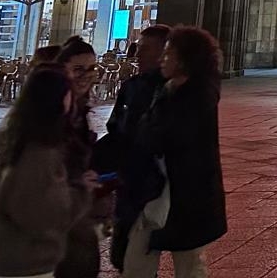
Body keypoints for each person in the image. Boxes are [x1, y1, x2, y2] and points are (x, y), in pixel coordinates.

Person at [122, 25, 227, 278]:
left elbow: (159, 137)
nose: (161, 59)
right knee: (140, 258)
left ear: (185, 59)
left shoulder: (196, 95)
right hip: (159, 191)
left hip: (185, 194)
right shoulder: (166, 88)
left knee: (190, 262)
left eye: (168, 54)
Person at [0, 66, 97, 278]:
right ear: (61, 100)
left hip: (10, 257)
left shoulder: (15, 141)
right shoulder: (39, 153)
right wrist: (79, 191)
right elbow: (42, 216)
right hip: (27, 261)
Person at [96, 24, 169, 272]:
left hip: (150, 179)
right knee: (123, 250)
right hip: (129, 177)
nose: (136, 54)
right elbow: (115, 126)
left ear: (164, 52)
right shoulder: (132, 86)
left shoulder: (173, 89)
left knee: (139, 250)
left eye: (144, 49)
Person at [54, 35, 106, 278]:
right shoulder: (50, 111)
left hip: (74, 213)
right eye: (78, 69)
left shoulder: (79, 110)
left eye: (91, 68)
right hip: (52, 219)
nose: (86, 75)